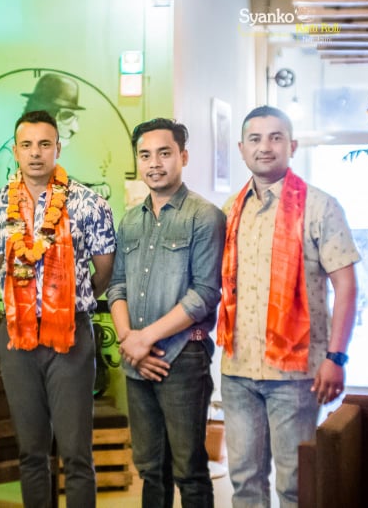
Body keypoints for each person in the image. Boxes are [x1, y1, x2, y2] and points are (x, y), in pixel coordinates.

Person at [217, 106, 359, 508]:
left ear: (292, 146)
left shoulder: (320, 207)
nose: (265, 147)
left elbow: (347, 286)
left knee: (297, 484)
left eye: (275, 137)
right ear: (242, 148)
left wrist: (336, 357)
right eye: (255, 139)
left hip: (296, 375)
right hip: (238, 371)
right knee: (244, 481)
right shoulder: (229, 210)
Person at [0, 109, 116, 507]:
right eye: (26, 145)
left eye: (44, 144)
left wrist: (68, 301)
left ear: (58, 147)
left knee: (76, 452)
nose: (35, 153)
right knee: (31, 451)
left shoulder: (90, 203)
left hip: (70, 337)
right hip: (17, 337)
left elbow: (104, 271)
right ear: (15, 151)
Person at [107, 118, 225, 508]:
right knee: (150, 469)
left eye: (164, 153)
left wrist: (145, 339)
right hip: (136, 359)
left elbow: (204, 295)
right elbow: (117, 286)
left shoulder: (204, 216)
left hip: (184, 357)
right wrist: (129, 341)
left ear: (183, 157)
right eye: (145, 155)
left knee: (189, 470)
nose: (154, 163)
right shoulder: (129, 220)